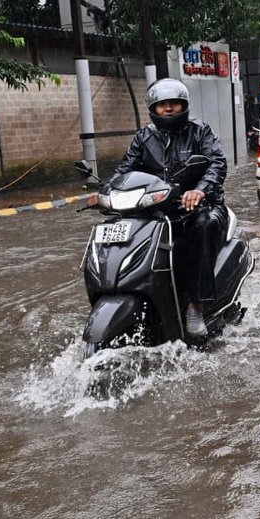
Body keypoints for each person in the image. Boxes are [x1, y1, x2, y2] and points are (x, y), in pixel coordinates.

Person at [112, 78, 227, 342]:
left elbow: (217, 164)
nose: (168, 109)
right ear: (154, 108)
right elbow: (125, 170)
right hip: (158, 210)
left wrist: (200, 190)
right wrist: (107, 190)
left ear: (183, 105)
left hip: (200, 206)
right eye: (162, 105)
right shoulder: (144, 137)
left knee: (202, 225)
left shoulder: (200, 132)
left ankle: (195, 306)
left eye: (173, 103)